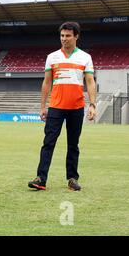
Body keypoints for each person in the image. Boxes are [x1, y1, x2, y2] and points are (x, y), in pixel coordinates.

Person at [28, 21, 96, 191]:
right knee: (48, 142)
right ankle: (41, 179)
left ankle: (72, 179)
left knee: (73, 145)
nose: (64, 39)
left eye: (68, 36)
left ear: (76, 37)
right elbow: (46, 83)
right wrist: (43, 106)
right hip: (56, 107)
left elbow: (90, 82)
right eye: (62, 36)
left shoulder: (85, 57)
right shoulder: (52, 57)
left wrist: (93, 104)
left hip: (76, 107)